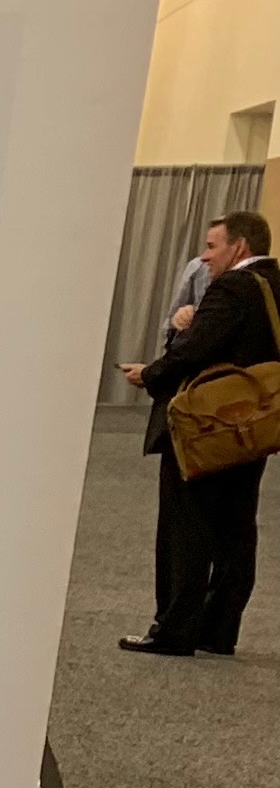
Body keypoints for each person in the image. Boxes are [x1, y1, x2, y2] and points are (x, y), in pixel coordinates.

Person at [122, 211, 276, 657]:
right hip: (253, 427)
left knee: (185, 525)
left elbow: (195, 351)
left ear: (239, 246)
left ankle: (174, 629)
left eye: (212, 246)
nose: (205, 257)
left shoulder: (232, 288)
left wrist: (151, 372)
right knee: (236, 527)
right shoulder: (275, 286)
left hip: (206, 427)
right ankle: (219, 629)